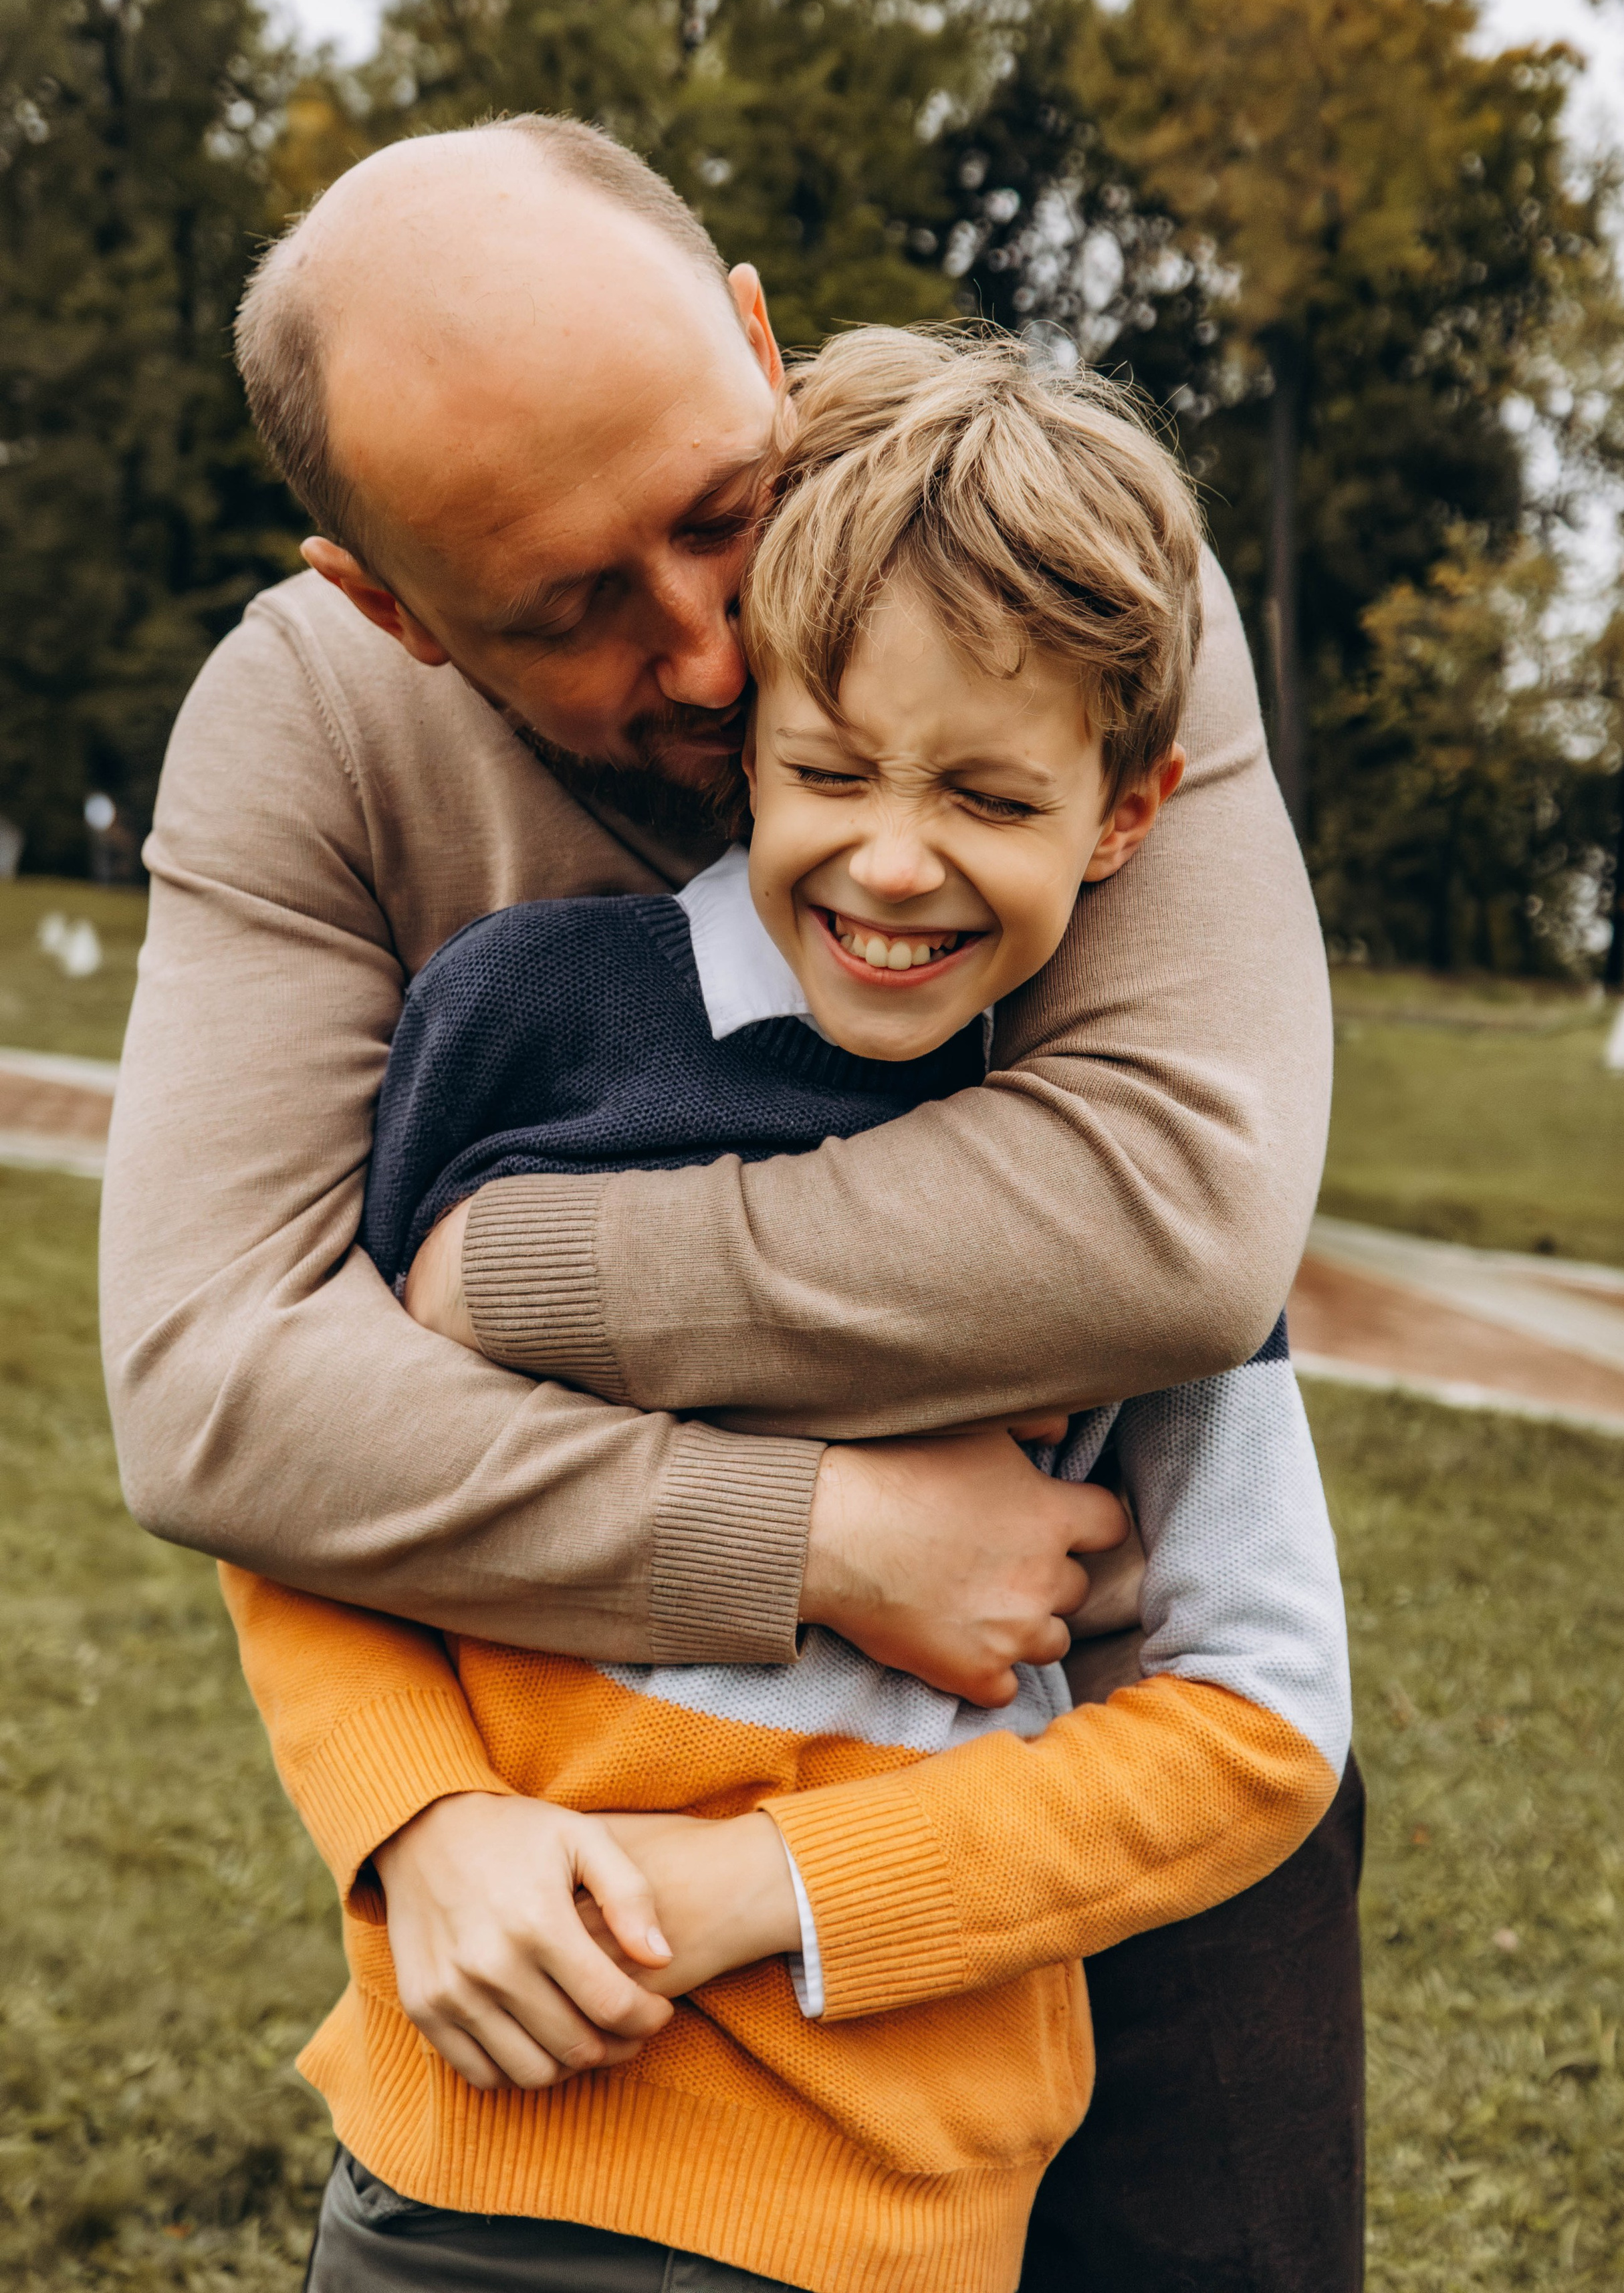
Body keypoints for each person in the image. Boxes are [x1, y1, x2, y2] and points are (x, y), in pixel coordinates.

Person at [100, 115, 1363, 2288]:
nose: (708, 654)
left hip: (1091, 1806)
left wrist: (519, 1272)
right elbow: (223, 1395)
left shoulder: (1049, 550)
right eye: (575, 608)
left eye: (715, 515)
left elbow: (1179, 1218)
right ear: (390, 604)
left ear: (758, 343)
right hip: (565, 1919)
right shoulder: (301, 733)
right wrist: (810, 1544)